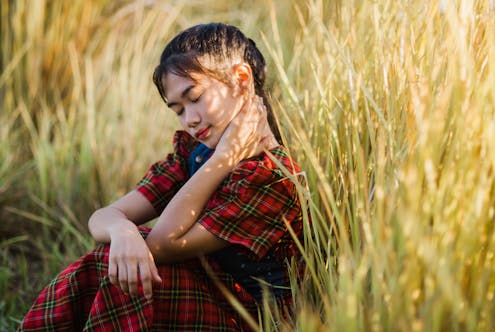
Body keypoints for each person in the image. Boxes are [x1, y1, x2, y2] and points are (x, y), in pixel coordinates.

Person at [19, 23, 305, 331]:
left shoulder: (271, 179)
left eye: (195, 97)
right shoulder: (193, 154)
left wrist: (224, 159)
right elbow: (102, 217)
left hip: (252, 318)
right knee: (120, 255)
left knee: (135, 266)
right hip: (207, 294)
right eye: (178, 110)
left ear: (241, 80)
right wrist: (123, 231)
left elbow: (161, 244)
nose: (190, 120)